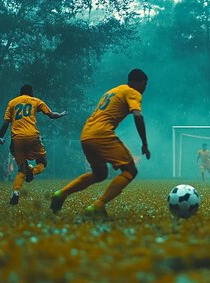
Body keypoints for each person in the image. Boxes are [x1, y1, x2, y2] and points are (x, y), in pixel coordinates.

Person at [50, 69, 150, 216]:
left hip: (86, 135)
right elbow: (138, 116)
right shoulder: (132, 92)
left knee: (100, 173)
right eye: (145, 84)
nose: (144, 89)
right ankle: (97, 206)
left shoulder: (112, 91)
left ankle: (61, 193)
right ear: (138, 82)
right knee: (130, 170)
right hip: (101, 134)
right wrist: (145, 144)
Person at [0, 84, 67, 205]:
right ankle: (33, 171)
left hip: (17, 139)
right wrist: (61, 114)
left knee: (21, 169)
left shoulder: (12, 102)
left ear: (20, 92)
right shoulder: (36, 101)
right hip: (32, 136)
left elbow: (5, 123)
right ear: (31, 92)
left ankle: (15, 192)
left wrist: (0, 136)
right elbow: (52, 115)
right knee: (42, 163)